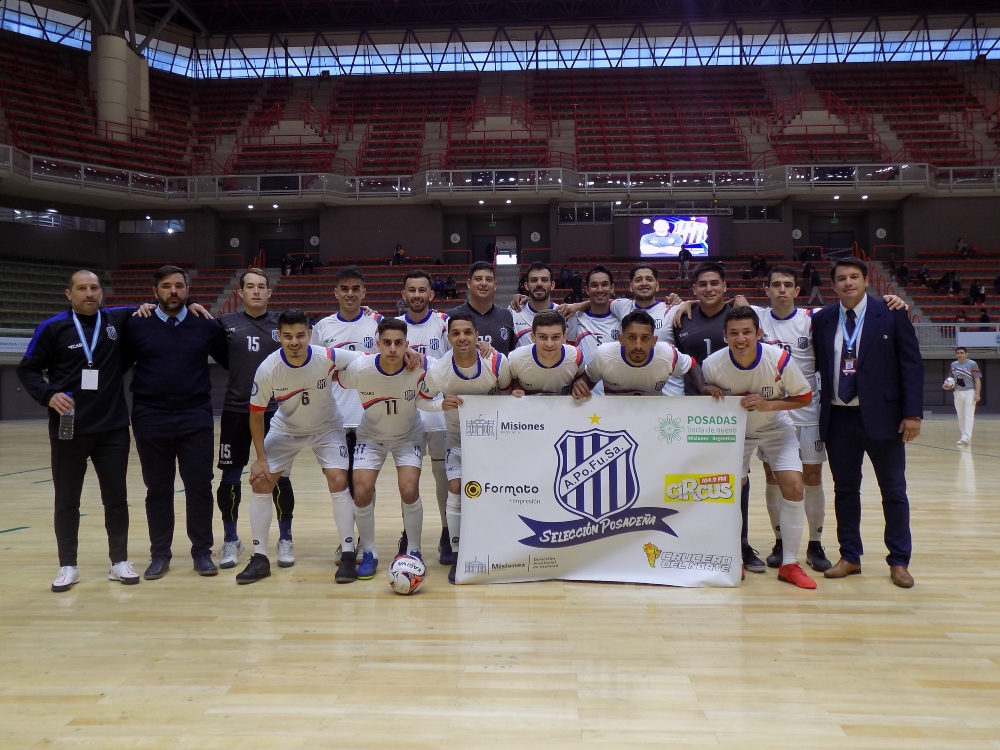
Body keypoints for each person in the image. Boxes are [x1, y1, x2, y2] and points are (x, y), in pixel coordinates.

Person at [17, 271, 138, 592]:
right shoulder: (52, 327)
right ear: (68, 294)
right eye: (81, 288)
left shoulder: (116, 320)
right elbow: (27, 369)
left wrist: (191, 305)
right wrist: (48, 394)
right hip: (69, 427)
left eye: (94, 288)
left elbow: (156, 305)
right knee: (67, 500)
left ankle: (119, 561)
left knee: (116, 498)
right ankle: (68, 566)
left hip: (112, 427)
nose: (89, 293)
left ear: (102, 292)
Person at [812, 258, 923, 589]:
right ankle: (850, 556)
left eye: (854, 277)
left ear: (865, 281)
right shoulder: (822, 319)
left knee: (893, 491)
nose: (848, 282)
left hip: (884, 417)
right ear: (834, 285)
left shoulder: (891, 312)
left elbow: (911, 364)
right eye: (841, 278)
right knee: (845, 490)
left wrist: (913, 413)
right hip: (839, 416)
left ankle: (899, 560)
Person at [236, 310, 363, 585]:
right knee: (261, 481)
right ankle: (260, 558)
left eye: (300, 336)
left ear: (310, 334)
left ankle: (348, 554)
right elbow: (256, 414)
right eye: (288, 336)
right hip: (286, 429)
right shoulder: (268, 368)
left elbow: (365, 360)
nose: (294, 342)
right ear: (279, 336)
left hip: (326, 427)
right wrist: (260, 458)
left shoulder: (326, 356)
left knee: (338, 480)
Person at [123, 266, 229, 581]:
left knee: (199, 486)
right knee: (158, 488)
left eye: (179, 286)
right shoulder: (137, 324)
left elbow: (229, 359)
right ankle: (160, 555)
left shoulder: (205, 324)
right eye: (166, 286)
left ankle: (202, 552)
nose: (173, 291)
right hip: (150, 416)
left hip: (195, 415)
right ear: (155, 291)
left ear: (187, 290)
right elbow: (118, 363)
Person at [701, 307, 816, 589]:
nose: (740, 339)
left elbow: (804, 397)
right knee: (730, 492)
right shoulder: (712, 365)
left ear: (759, 333)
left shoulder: (779, 359)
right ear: (725, 336)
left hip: (776, 428)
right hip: (735, 433)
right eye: (734, 333)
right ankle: (732, 557)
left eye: (747, 332)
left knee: (794, 486)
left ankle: (790, 564)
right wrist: (706, 392)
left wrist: (769, 405)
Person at [671, 261, 761, 573]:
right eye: (702, 284)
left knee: (738, 479)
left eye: (714, 283)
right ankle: (700, 540)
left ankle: (741, 543)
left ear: (725, 286)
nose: (709, 289)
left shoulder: (739, 315)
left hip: (734, 410)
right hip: (695, 409)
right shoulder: (681, 317)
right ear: (694, 289)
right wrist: (685, 304)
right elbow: (676, 360)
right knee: (696, 479)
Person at [419, 314, 512, 584]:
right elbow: (420, 401)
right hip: (458, 437)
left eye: (468, 332)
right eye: (456, 333)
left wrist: (515, 399)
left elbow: (508, 392)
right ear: (448, 338)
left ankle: (496, 545)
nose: (462, 338)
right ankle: (458, 552)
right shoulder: (439, 370)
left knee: (496, 491)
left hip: (494, 438)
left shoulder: (497, 361)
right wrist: (440, 405)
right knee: (456, 487)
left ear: (476, 336)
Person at [214, 268, 296, 570]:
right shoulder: (225, 323)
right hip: (236, 410)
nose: (256, 291)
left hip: (275, 411)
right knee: (230, 479)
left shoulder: (281, 323)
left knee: (279, 477)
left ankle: (285, 537)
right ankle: (231, 539)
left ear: (269, 292)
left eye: (262, 286)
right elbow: (222, 356)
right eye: (250, 286)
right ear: (240, 292)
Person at [337, 318, 430, 581]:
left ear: (407, 345)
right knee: (362, 490)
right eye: (386, 342)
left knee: (409, 489)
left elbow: (448, 364)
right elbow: (335, 373)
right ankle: (369, 552)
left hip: (408, 435)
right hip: (371, 436)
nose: (392, 348)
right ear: (377, 344)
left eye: (398, 343)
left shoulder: (419, 367)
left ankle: (414, 551)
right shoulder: (361, 368)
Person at [311, 265, 382, 564]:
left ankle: (365, 540)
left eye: (355, 288)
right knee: (341, 485)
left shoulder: (377, 324)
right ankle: (348, 541)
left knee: (363, 485)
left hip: (369, 416)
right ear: (336, 292)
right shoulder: (323, 327)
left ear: (364, 292)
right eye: (344, 288)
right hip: (335, 419)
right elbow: (312, 369)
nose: (350, 294)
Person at [398, 270, 454, 565]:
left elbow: (456, 357)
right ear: (404, 294)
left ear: (431, 294)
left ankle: (447, 531)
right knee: (408, 479)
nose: (417, 295)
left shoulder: (445, 323)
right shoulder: (392, 326)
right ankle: (409, 534)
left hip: (437, 413)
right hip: (406, 414)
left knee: (442, 475)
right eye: (412, 290)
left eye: (422, 290)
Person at [572, 310, 700, 399]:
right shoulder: (603, 355)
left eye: (645, 338)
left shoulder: (667, 353)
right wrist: (580, 384)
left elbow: (691, 365)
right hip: (613, 416)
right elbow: (589, 378)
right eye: (632, 337)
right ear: (621, 339)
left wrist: (703, 386)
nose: (638, 345)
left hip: (653, 415)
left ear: (654, 341)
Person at [509, 310, 586, 396]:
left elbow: (584, 376)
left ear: (564, 337)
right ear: (533, 337)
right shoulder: (516, 358)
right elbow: (513, 379)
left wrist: (580, 381)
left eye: (555, 337)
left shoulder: (576, 357)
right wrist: (516, 388)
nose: (549, 344)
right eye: (543, 337)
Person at [447, 261, 516, 356]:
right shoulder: (451, 316)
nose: (484, 283)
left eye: (489, 280)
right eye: (478, 279)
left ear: (495, 285)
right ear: (469, 283)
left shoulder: (506, 316)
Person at [509, 261, 557, 348]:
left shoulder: (563, 313)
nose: (539, 284)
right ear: (526, 285)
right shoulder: (514, 311)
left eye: (544, 280)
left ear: (552, 285)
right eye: (534, 280)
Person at [944, 346, 982, 446]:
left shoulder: (972, 364)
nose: (959, 355)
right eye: (958, 353)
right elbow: (950, 379)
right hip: (957, 392)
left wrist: (977, 393)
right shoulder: (953, 365)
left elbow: (977, 379)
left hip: (969, 392)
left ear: (966, 354)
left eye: (961, 353)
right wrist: (946, 385)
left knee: (968, 415)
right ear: (955, 355)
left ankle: (966, 437)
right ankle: (963, 436)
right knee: (960, 416)